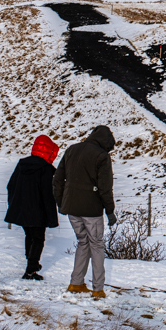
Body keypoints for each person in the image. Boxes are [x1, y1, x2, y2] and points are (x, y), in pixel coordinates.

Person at [53, 125, 117, 299]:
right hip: (91, 210)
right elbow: (105, 188)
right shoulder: (102, 156)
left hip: (72, 209)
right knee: (96, 244)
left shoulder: (72, 150)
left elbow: (58, 179)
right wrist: (110, 211)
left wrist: (62, 202)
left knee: (83, 242)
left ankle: (76, 283)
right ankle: (98, 288)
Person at [5, 134, 60, 280]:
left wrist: (14, 204)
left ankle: (31, 262)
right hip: (38, 211)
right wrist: (51, 216)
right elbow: (48, 195)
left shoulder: (22, 164)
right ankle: (31, 269)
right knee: (38, 238)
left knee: (29, 235)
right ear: (49, 151)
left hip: (22, 209)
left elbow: (11, 186)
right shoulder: (46, 169)